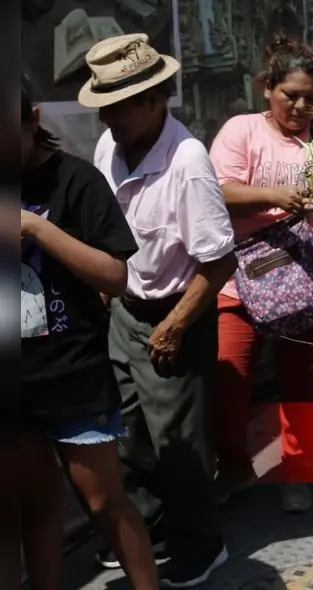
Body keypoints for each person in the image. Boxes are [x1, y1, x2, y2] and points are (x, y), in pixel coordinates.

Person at [81, 34, 236, 586]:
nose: (107, 119)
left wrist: (172, 327)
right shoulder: (109, 148)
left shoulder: (188, 161)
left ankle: (201, 544)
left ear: (152, 100)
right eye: (103, 108)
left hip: (177, 313)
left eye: (116, 107)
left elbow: (218, 264)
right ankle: (144, 530)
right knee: (129, 434)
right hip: (126, 307)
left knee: (180, 444)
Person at [209, 36, 313, 512]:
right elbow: (220, 189)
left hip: (312, 284)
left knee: (303, 387)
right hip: (240, 282)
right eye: (291, 95)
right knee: (229, 378)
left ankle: (296, 470)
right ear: (267, 90)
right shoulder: (241, 131)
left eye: (311, 98)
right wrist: (278, 196)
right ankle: (236, 463)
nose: (301, 106)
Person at [14, 82, 159, 590]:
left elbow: (115, 277)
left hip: (72, 371)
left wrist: (33, 229)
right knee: (36, 504)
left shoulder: (75, 181)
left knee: (101, 499)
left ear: (32, 119)